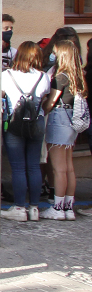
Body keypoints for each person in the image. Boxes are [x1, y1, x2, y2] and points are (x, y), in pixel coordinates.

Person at [0, 42, 52, 222]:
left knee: (18, 167)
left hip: (14, 123)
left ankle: (20, 207)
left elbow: (1, 95)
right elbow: (44, 97)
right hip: (37, 123)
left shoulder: (6, 75)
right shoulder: (43, 77)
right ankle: (34, 208)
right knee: (33, 165)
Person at [40, 39, 84, 220]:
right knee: (68, 167)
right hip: (71, 121)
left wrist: (42, 107)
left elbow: (50, 103)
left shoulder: (61, 77)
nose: (53, 55)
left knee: (58, 168)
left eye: (56, 52)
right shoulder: (77, 76)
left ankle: (58, 208)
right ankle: (67, 206)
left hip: (59, 120)